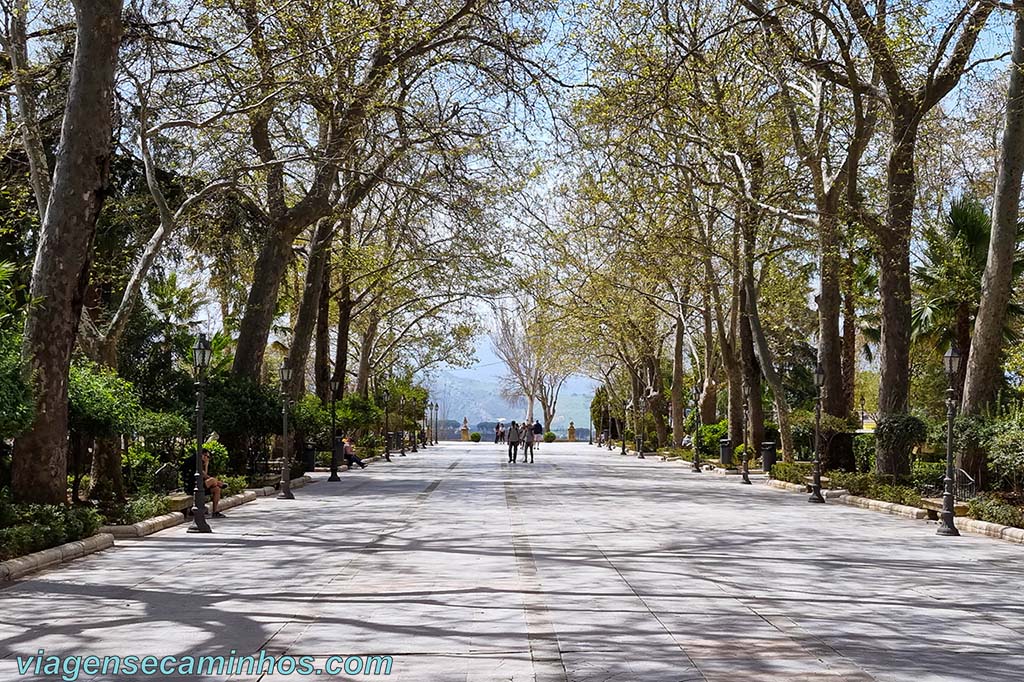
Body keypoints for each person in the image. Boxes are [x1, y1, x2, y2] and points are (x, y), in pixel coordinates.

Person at [200, 448, 226, 518]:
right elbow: (204, 475)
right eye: (206, 456)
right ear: (202, 455)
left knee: (217, 489)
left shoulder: (202, 464)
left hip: (202, 485)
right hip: (196, 486)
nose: (207, 458)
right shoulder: (197, 464)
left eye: (208, 457)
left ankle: (215, 512)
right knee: (212, 480)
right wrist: (206, 465)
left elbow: (206, 476)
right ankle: (219, 484)